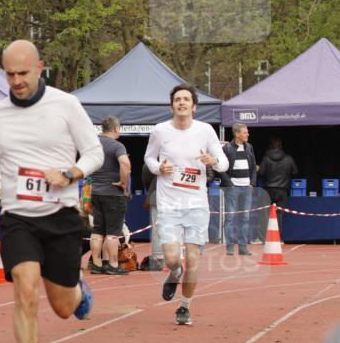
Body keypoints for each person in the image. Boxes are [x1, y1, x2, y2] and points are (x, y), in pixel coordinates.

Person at [0, 40, 103, 343]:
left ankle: (78, 289)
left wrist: (70, 172)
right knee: (25, 291)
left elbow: (93, 152)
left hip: (60, 214)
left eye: (22, 73)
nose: (16, 81)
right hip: (17, 217)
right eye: (9, 74)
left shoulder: (65, 105)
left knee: (62, 307)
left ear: (40, 67)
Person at [144, 84, 228, 326]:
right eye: (177, 100)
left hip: (196, 205)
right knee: (171, 257)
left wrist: (213, 160)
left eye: (186, 100)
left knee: (193, 259)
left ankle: (184, 307)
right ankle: (174, 271)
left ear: (194, 106)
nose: (181, 103)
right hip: (169, 203)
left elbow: (223, 163)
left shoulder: (206, 131)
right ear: (172, 106)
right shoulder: (160, 131)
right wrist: (158, 168)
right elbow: (149, 157)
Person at [88, 115, 131, 275]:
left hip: (95, 191)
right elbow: (125, 163)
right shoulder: (117, 146)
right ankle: (113, 265)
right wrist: (123, 182)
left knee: (98, 229)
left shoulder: (93, 145)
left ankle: (97, 264)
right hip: (113, 192)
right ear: (116, 128)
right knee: (113, 230)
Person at [221, 122, 257, 256]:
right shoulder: (227, 148)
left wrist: (252, 183)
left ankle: (243, 248)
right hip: (233, 188)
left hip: (246, 188)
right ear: (237, 134)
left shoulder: (249, 147)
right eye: (245, 132)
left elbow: (253, 167)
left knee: (245, 218)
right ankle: (230, 247)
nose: (248, 134)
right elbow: (221, 168)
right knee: (230, 218)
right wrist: (229, 184)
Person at [259, 137, 298, 230]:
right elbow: (295, 172)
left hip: (268, 190)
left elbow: (260, 173)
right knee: (280, 214)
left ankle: (265, 236)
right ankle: (279, 238)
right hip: (282, 191)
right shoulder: (288, 158)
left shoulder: (266, 158)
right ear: (281, 146)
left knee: (266, 214)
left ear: (270, 146)